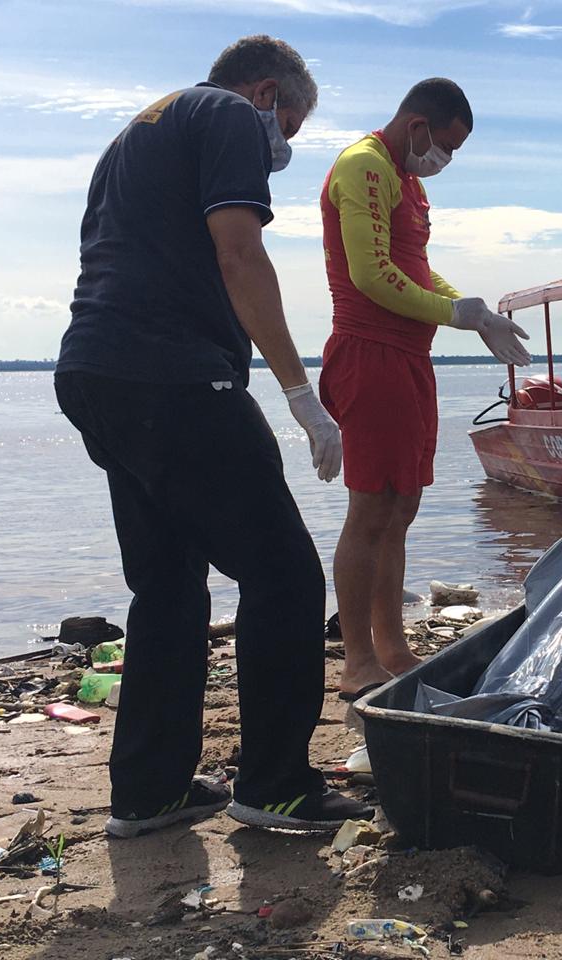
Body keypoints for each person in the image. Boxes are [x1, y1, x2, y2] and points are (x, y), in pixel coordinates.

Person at [56, 35, 372, 837]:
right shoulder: (229, 115)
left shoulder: (136, 134)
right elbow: (240, 254)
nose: (281, 149)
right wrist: (301, 394)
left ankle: (150, 792)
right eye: (288, 128)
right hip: (174, 375)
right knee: (285, 576)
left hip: (96, 371)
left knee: (167, 586)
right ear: (266, 93)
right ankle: (277, 785)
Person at [319, 79, 531, 703]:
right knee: (371, 510)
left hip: (410, 359)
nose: (446, 160)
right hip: (369, 354)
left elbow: (413, 265)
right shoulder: (364, 166)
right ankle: (358, 659)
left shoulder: (407, 181)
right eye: (446, 146)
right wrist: (452, 314)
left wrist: (473, 311)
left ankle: (392, 647)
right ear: (417, 127)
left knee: (402, 508)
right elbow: (371, 273)